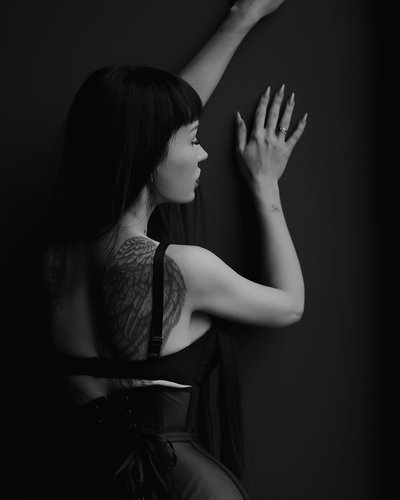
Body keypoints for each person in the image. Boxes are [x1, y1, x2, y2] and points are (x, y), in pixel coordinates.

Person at [39, 0, 307, 498]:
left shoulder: (55, 258)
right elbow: (290, 305)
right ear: (148, 157)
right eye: (194, 139)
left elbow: (144, 126)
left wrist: (242, 18)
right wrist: (265, 185)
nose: (202, 153)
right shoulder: (184, 268)